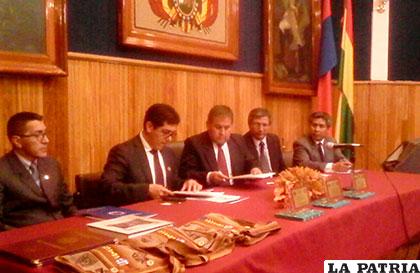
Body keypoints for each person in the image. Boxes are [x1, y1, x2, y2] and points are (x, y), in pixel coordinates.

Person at [101, 103, 201, 206]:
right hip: (137, 212)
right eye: (165, 132)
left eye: (172, 134)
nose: (170, 139)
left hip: (167, 210)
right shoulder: (124, 152)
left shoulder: (168, 153)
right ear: (149, 127)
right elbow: (108, 186)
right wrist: (146, 190)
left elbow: (171, 182)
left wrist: (186, 183)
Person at [0, 112, 76, 230]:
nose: (46, 140)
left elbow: (68, 206)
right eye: (38, 135)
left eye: (45, 134)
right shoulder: (3, 170)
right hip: (26, 238)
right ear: (17, 141)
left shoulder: (51, 164)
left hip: (61, 231)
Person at [179, 105, 262, 187]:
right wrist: (209, 176)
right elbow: (186, 173)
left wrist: (254, 168)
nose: (222, 132)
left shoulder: (238, 140)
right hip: (211, 194)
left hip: (238, 192)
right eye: (218, 127)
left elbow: (250, 161)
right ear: (208, 125)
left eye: (226, 128)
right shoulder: (194, 144)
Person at [243, 108, 287, 173]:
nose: (261, 129)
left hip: (275, 180)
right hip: (255, 181)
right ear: (249, 125)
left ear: (269, 126)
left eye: (264, 125)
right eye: (257, 124)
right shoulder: (242, 142)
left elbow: (282, 167)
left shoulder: (274, 140)